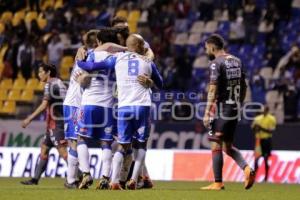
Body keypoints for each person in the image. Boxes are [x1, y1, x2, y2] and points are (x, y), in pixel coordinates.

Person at [77, 34, 163, 190]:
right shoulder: (148, 62)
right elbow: (161, 84)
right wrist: (150, 82)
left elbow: (91, 67)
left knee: (122, 146)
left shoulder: (117, 59)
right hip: (142, 106)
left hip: (123, 108)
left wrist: (79, 59)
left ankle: (114, 181)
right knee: (141, 144)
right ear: (140, 46)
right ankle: (134, 180)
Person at [201, 34, 255, 190]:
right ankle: (247, 169)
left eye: (206, 48)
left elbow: (212, 89)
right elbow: (244, 85)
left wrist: (206, 112)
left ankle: (218, 182)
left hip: (222, 109)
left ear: (212, 47)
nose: (206, 51)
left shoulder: (215, 63)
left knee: (215, 143)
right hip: (234, 108)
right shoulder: (237, 61)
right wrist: (240, 103)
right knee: (228, 147)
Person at [111, 16, 155, 189]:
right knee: (124, 143)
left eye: (125, 28)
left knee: (128, 143)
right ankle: (135, 178)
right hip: (116, 98)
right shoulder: (112, 45)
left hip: (127, 98)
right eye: (120, 29)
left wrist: (147, 63)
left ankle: (125, 178)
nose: (123, 31)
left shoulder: (133, 43)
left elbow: (149, 53)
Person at [21, 63, 68, 185]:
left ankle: (80, 176)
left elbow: (44, 105)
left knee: (63, 152)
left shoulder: (49, 84)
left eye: (41, 71)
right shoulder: (58, 82)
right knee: (44, 149)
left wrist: (29, 118)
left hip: (57, 123)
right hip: (57, 122)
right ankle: (35, 179)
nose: (39, 74)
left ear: (48, 73)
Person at [63, 30, 99, 189]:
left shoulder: (86, 54)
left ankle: (77, 176)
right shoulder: (87, 56)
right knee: (74, 141)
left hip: (81, 104)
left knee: (77, 141)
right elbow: (84, 81)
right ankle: (73, 179)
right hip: (74, 103)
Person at [251, 105, 276, 182]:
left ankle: (266, 178)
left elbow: (271, 131)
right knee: (256, 160)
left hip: (266, 140)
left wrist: (260, 128)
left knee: (265, 159)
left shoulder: (272, 119)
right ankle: (254, 177)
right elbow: (253, 128)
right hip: (258, 140)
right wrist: (255, 128)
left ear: (267, 111)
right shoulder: (257, 119)